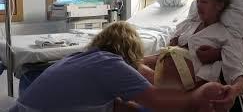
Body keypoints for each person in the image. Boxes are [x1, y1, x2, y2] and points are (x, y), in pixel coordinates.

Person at [10, 21, 230, 112]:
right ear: (131, 50)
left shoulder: (82, 57)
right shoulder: (111, 64)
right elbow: (158, 101)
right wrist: (198, 95)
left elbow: (112, 103)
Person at [144, 0, 243, 112]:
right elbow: (167, 51)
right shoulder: (189, 25)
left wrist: (234, 90)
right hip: (159, 75)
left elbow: (239, 76)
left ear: (219, 6)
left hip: (185, 90)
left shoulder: (227, 36)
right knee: (131, 63)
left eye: (204, 1)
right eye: (197, 1)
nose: (198, 5)